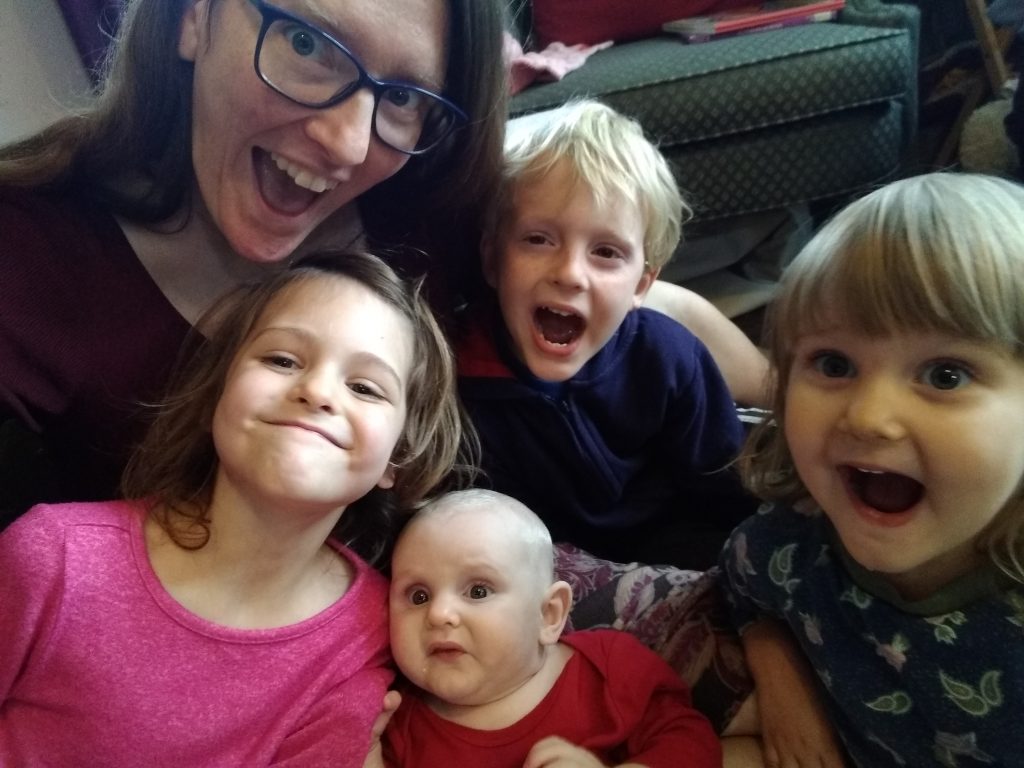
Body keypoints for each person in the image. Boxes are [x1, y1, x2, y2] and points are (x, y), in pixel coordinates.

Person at [0, 0, 767, 522]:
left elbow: (629, 301)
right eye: (307, 44)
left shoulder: (429, 204)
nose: (346, 141)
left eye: (402, 95)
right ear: (195, 16)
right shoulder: (26, 262)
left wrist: (796, 394)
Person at [0, 251, 464, 765]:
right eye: (282, 360)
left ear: (397, 458)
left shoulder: (380, 628)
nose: (317, 392)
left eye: (364, 388)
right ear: (215, 396)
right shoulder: (53, 557)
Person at [720, 172, 1024, 767]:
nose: (869, 417)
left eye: (945, 375)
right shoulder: (790, 543)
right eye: (834, 364)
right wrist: (774, 660)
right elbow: (743, 583)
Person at [457, 100, 756, 569]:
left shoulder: (668, 358)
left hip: (670, 543)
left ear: (641, 286)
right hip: (543, 566)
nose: (570, 273)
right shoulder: (461, 381)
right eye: (539, 239)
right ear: (493, 260)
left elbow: (724, 492)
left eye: (606, 252)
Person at [381, 488, 722, 768]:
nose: (439, 613)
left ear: (549, 614)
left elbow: (692, 741)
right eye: (418, 596)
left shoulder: (609, 668)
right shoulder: (397, 725)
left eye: (478, 591)